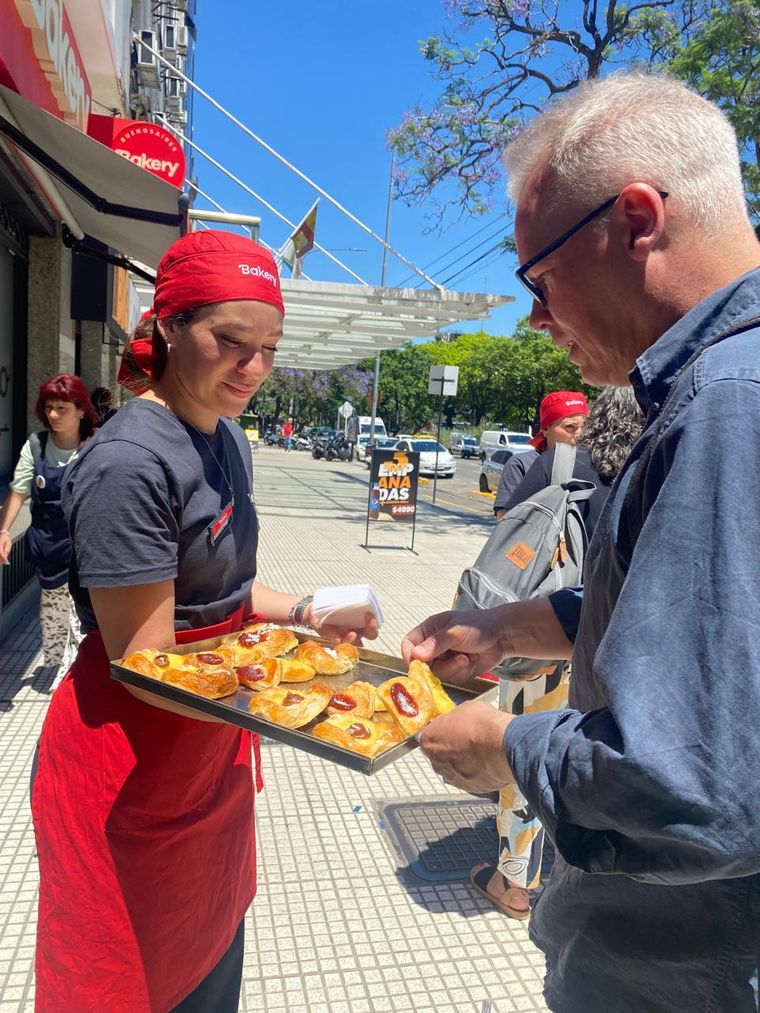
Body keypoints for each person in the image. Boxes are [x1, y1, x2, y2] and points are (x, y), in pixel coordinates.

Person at [402, 71, 760, 1012]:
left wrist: (507, 745)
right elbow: (679, 614)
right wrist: (509, 625)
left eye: (539, 277)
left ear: (638, 217)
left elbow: (689, 785)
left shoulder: (724, 408)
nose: (532, 314)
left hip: (688, 969)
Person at [31, 230, 378, 1013]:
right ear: (166, 325)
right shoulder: (130, 463)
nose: (253, 368)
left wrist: (309, 612)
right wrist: (302, 704)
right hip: (132, 767)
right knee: (126, 984)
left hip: (210, 761)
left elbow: (223, 594)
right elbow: (150, 660)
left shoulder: (228, 441)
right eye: (230, 341)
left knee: (212, 967)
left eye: (270, 347)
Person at [471, 386, 644, 919]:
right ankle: (574, 869)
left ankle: (514, 883)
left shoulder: (552, 465)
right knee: (588, 756)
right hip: (613, 655)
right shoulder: (652, 475)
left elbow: (511, 545)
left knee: (523, 756)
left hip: (539, 646)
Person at [0, 374, 97, 684]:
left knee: (79, 614)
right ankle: (60, 666)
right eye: (49, 407)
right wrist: (4, 532)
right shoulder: (36, 445)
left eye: (63, 408)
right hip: (48, 545)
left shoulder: (95, 444)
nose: (54, 415)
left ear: (81, 410)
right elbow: (18, 490)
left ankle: (72, 678)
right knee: (53, 614)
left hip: (84, 548)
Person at [493, 390, 588, 518]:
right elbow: (505, 522)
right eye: (570, 427)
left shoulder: (593, 466)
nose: (580, 434)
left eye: (586, 426)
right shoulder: (521, 465)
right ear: (546, 429)